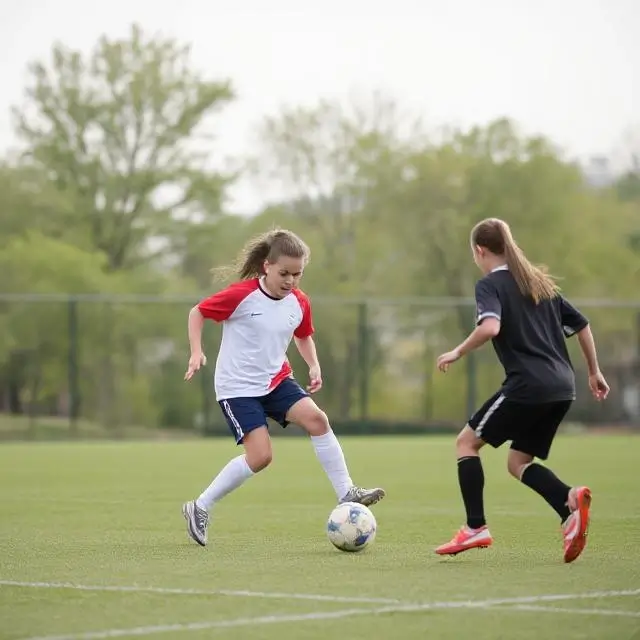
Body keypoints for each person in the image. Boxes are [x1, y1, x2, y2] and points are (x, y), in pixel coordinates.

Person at [181, 228, 385, 547]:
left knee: (318, 420)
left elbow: (303, 335)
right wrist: (196, 351)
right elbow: (198, 312)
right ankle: (199, 507)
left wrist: (313, 364)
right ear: (266, 266)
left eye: (297, 274)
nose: (290, 281)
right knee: (261, 457)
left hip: (276, 380)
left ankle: (347, 491)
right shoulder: (241, 296)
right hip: (238, 388)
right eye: (284, 273)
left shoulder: (299, 302)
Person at [434, 217, 609, 563]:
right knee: (518, 461)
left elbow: (490, 327)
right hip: (562, 387)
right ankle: (568, 503)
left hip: (528, 385)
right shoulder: (540, 283)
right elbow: (582, 325)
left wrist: (457, 351)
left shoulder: (490, 285)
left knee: (466, 443)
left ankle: (475, 528)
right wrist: (594, 372)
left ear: (480, 251)